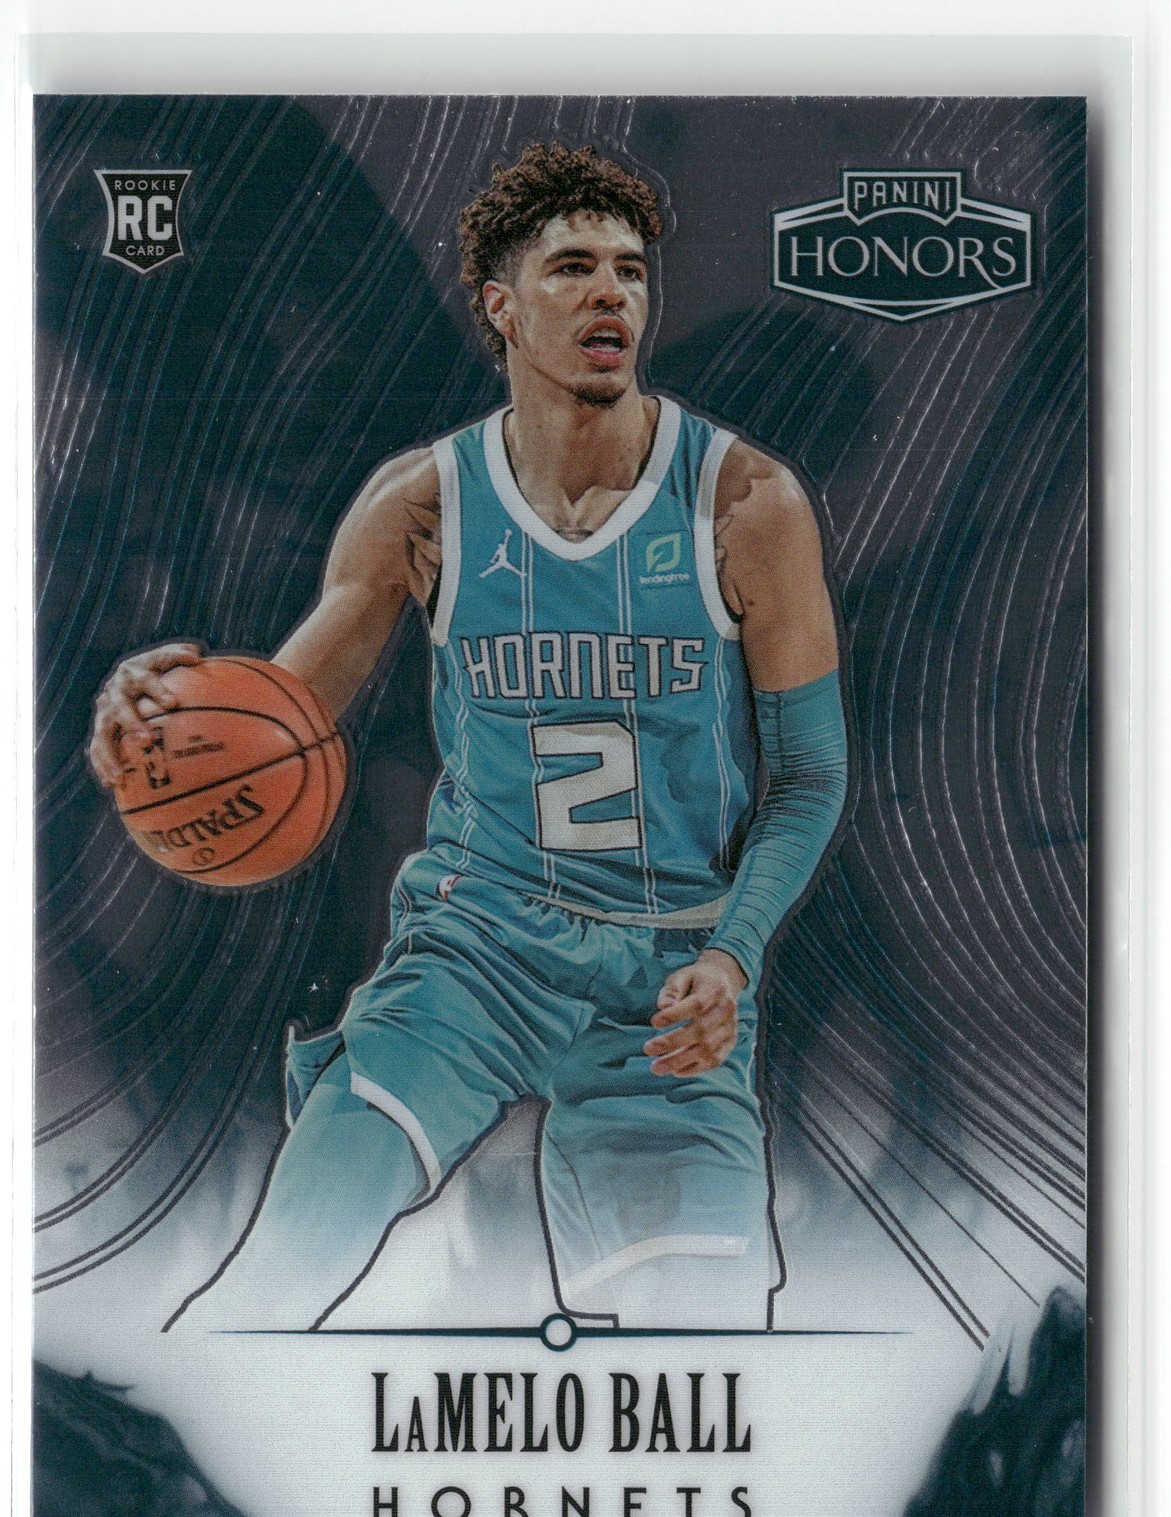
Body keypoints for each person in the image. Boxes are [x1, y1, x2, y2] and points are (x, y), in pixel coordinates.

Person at [89, 143, 848, 1332]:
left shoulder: (745, 504)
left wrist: (733, 957)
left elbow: (806, 776)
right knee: (274, 1275)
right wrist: (158, 728)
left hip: (668, 967)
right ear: (499, 305)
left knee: (697, 1355)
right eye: (571, 268)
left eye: (629, 270)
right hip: (478, 944)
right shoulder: (423, 502)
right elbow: (280, 718)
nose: (610, 293)